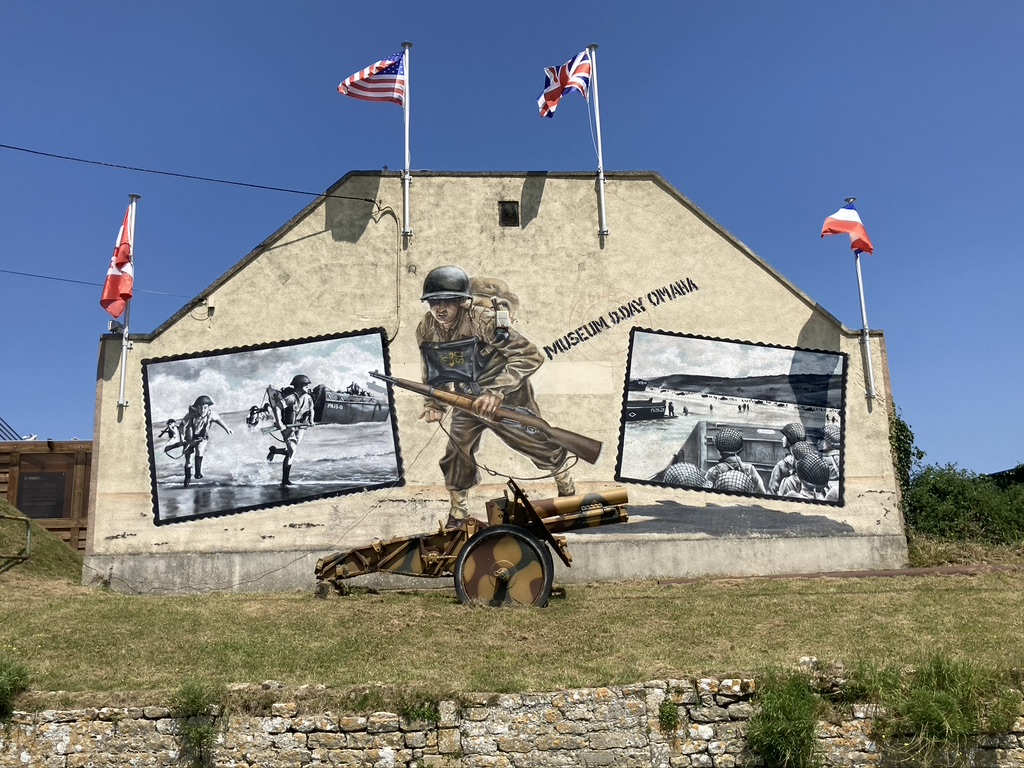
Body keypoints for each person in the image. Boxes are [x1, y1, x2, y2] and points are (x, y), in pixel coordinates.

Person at [415, 265, 575, 527]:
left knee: (536, 443)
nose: (439, 309)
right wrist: (434, 403)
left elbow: (530, 355)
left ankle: (566, 486)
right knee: (456, 451)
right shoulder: (427, 328)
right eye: (433, 302)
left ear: (461, 301)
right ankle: (459, 514)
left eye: (447, 301)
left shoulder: (484, 320)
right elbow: (434, 369)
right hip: (467, 399)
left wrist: (496, 391)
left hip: (508, 396)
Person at [267, 374, 315, 487]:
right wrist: (280, 423)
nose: (308, 387)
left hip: (301, 426)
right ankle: (285, 481)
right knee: (292, 451)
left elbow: (311, 409)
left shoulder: (308, 398)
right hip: (288, 427)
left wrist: (311, 420)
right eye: (305, 385)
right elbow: (277, 407)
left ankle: (274, 451)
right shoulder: (291, 398)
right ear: (298, 386)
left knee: (291, 451)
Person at [179, 395, 232, 487]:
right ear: (196, 408)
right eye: (200, 408)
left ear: (208, 407)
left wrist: (227, 428)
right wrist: (182, 438)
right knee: (188, 461)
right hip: (189, 439)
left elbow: (219, 420)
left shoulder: (212, 414)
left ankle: (198, 473)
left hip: (202, 438)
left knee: (199, 452)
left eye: (205, 408)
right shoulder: (190, 415)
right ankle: (187, 477)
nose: (202, 410)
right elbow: (181, 426)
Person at [703, 427, 766, 494]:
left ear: (718, 451)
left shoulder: (713, 472)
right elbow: (761, 492)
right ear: (740, 450)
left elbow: (705, 494)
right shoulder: (749, 469)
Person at [768, 422, 807, 495]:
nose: (782, 439)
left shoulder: (781, 466)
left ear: (789, 439)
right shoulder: (809, 462)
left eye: (784, 436)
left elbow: (771, 492)